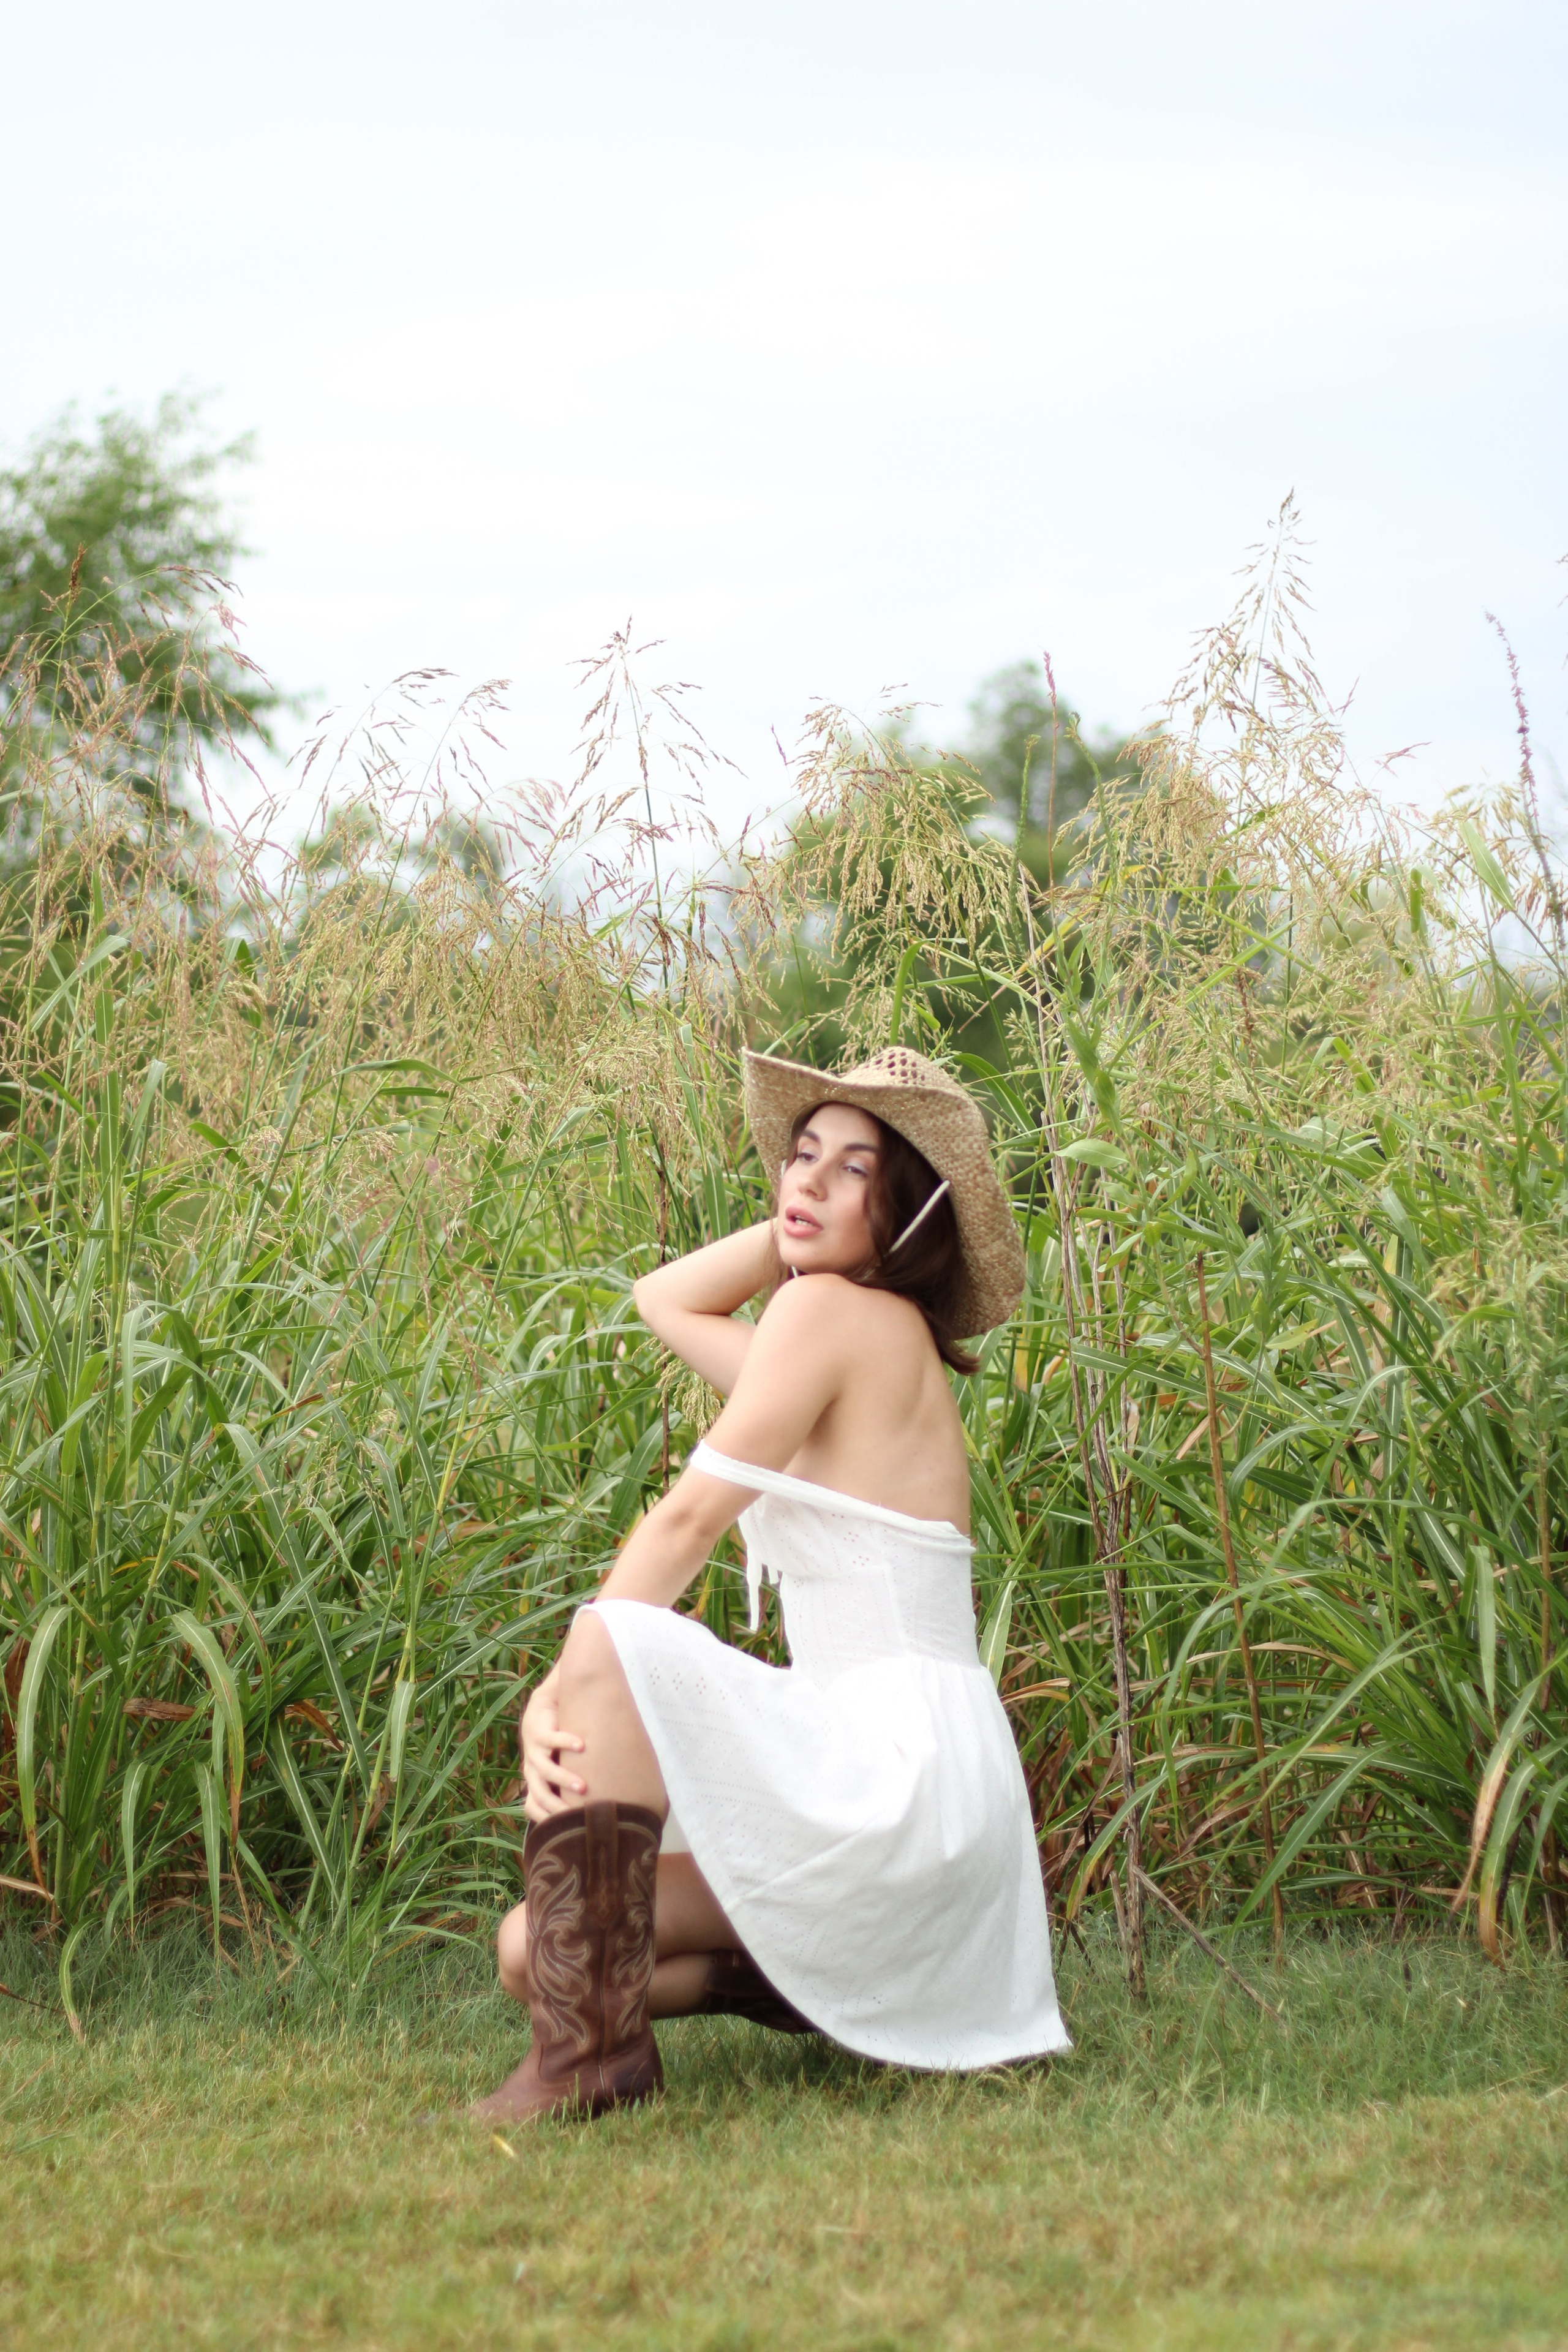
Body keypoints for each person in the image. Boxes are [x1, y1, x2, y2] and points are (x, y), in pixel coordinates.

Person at [471, 1045, 1070, 2123]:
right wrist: (809, 1224)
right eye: (800, 1157)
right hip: (938, 1818)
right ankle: (808, 1987)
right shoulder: (857, 1332)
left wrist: (555, 1692)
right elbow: (663, 1300)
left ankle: (595, 2066)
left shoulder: (833, 1317)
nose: (807, 1181)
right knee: (536, 1953)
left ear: (906, 1214)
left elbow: (690, 1519)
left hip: (896, 1780)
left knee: (614, 1635)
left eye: (854, 1170)